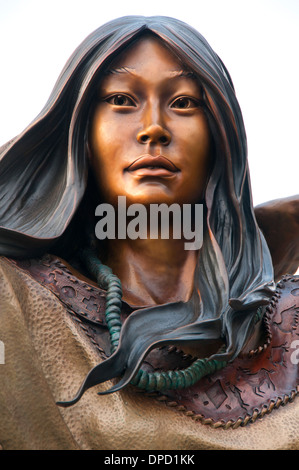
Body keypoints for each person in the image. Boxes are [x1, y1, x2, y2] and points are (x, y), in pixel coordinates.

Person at [0, 16, 298, 450]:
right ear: (82, 134)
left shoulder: (287, 317)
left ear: (220, 135)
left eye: (182, 103)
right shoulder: (15, 299)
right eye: (121, 99)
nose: (154, 127)